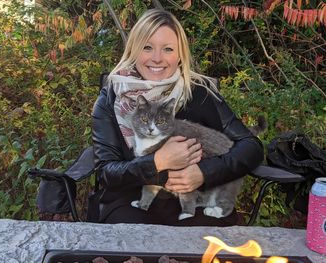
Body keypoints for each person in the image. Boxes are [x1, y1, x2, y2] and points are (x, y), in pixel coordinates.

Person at [91, 8, 264, 226]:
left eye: (168, 49)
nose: (157, 58)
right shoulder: (111, 98)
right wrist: (156, 162)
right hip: (130, 203)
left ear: (180, 55)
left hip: (195, 201)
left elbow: (251, 146)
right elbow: (107, 172)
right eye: (147, 47)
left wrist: (204, 173)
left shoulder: (199, 93)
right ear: (134, 49)